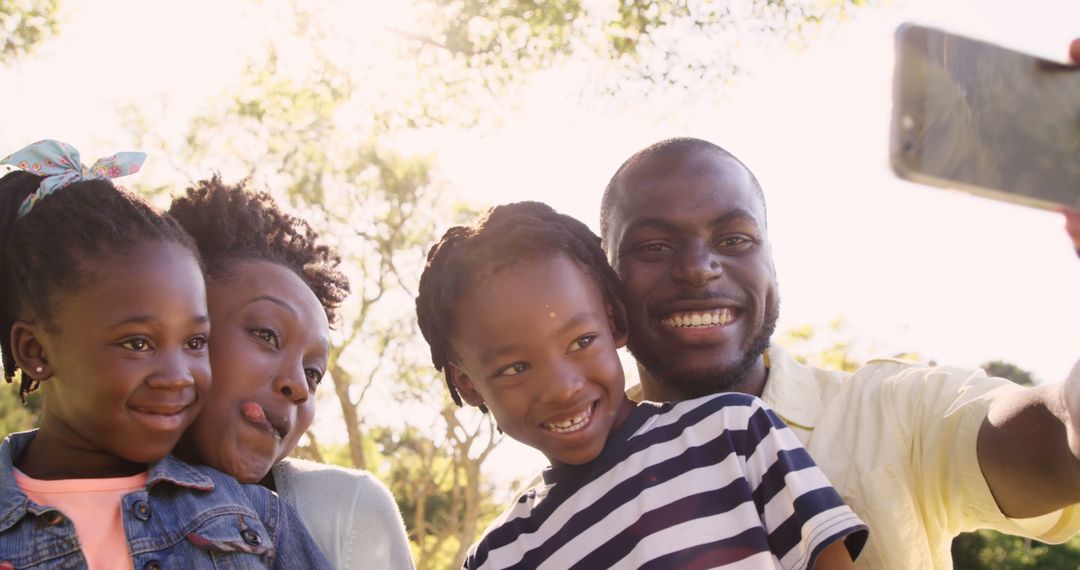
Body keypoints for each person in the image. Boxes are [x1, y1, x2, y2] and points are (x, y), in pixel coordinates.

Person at [599, 136, 1080, 568]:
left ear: (770, 261)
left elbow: (1054, 441)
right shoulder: (566, 499)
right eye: (655, 246)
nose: (699, 268)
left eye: (734, 240)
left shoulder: (893, 412)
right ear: (604, 280)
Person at [415, 201, 868, 569]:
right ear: (468, 385)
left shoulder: (734, 434)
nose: (561, 387)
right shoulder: (500, 558)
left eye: (581, 341)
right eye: (515, 368)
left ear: (615, 323)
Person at [0, 140, 329, 568]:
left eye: (195, 343)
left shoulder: (255, 517)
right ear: (35, 350)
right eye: (138, 343)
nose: (179, 376)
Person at [169, 176, 415, 570]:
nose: (299, 386)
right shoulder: (46, 487)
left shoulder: (344, 510)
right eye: (267, 335)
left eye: (314, 373)